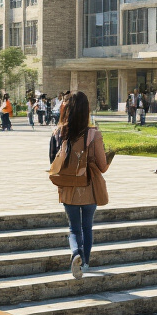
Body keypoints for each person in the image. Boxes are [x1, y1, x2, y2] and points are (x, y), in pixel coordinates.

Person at [48, 91, 110, 280]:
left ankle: (76, 252)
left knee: (74, 229)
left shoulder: (59, 133)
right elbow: (102, 166)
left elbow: (53, 162)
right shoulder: (94, 134)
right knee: (86, 227)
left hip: (68, 186)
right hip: (89, 187)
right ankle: (85, 263)